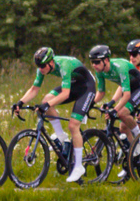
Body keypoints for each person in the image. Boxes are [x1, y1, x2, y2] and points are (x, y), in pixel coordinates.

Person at [15, 44, 96, 176]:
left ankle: (79, 166)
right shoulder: (42, 68)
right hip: (74, 84)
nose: (40, 69)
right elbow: (34, 89)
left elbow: (65, 94)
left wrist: (47, 105)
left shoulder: (64, 65)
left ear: (51, 62)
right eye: (38, 67)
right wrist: (20, 102)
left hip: (87, 87)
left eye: (43, 66)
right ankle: (62, 138)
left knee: (73, 124)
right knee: (46, 99)